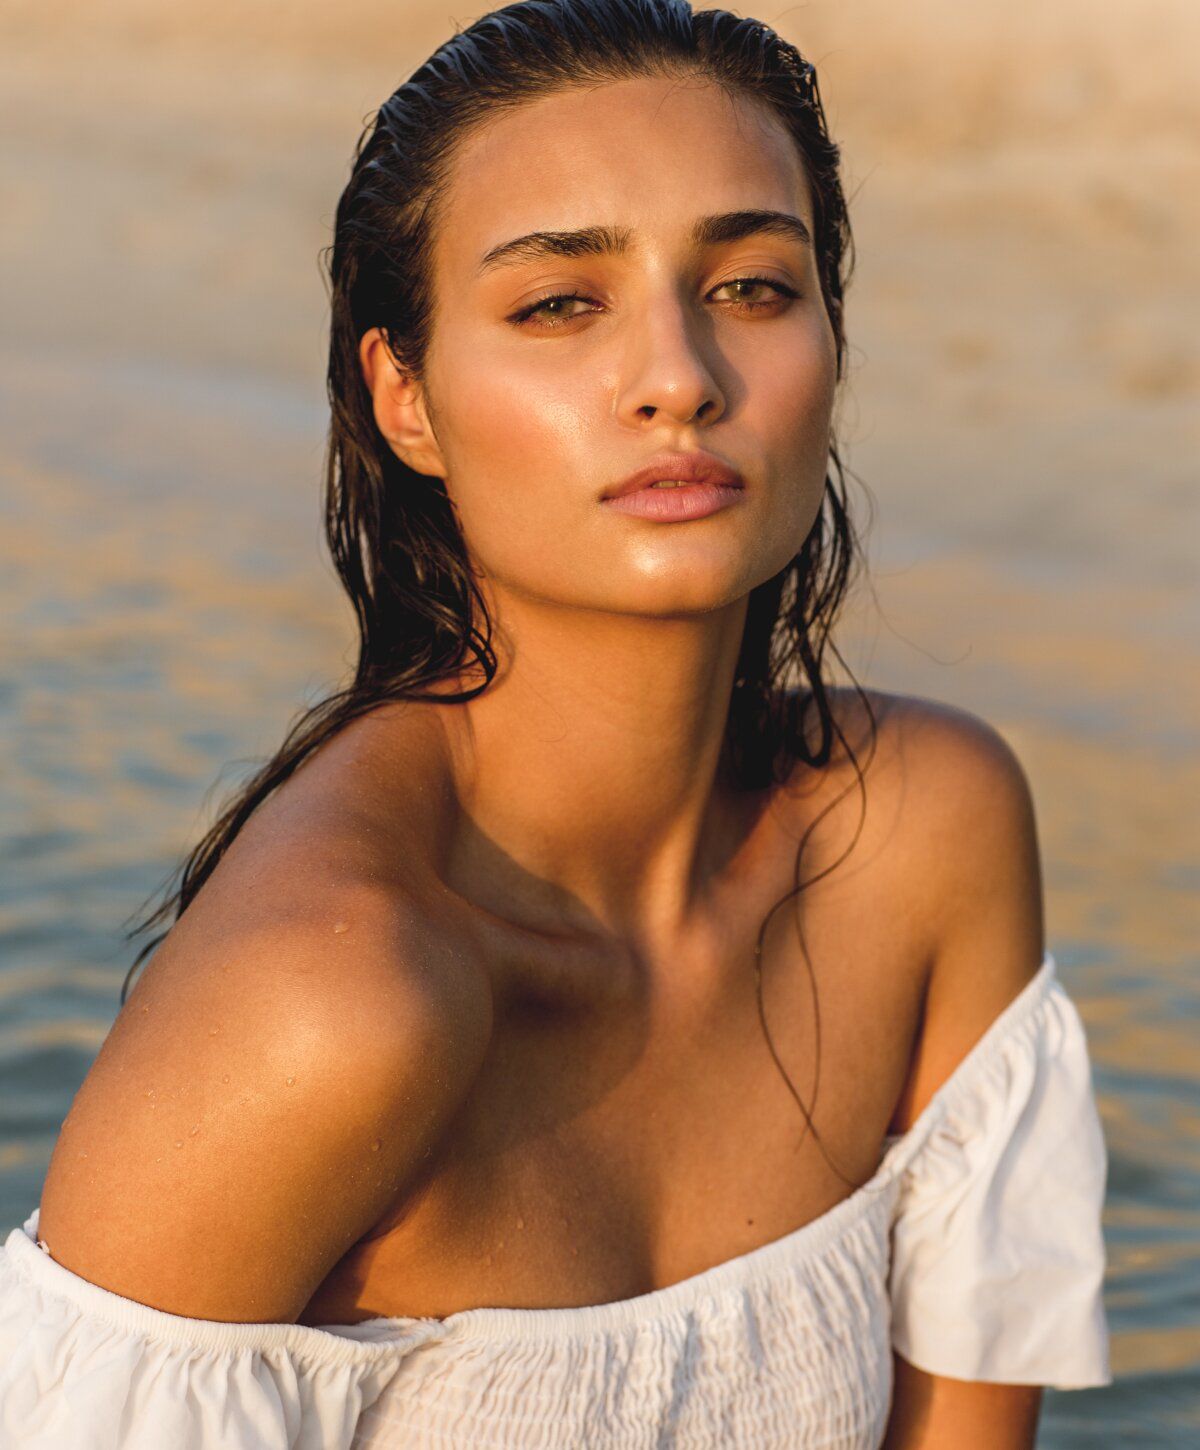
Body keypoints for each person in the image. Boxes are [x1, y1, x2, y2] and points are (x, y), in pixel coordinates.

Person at [0, 1, 1110, 1445]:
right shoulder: (326, 1007)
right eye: (557, 304)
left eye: (754, 287)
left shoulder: (921, 836)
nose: (680, 378)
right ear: (403, 396)